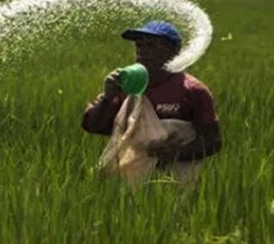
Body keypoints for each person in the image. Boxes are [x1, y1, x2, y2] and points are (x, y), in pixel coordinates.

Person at [82, 21, 222, 172]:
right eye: (139, 46)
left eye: (152, 45)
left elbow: (212, 141)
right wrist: (107, 98)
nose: (142, 51)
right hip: (129, 178)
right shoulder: (126, 85)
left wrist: (176, 153)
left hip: (176, 180)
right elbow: (94, 127)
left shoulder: (193, 90)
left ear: (175, 52)